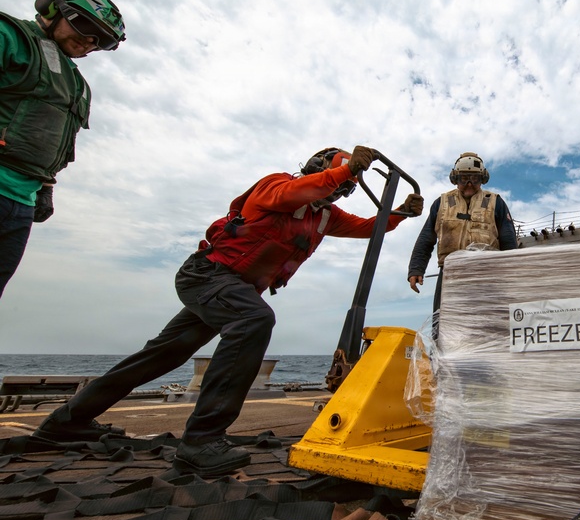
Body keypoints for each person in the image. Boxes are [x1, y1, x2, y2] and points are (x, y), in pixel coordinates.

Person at [34, 146, 423, 477]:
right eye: (338, 179)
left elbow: (366, 227)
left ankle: (66, 422)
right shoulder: (277, 186)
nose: (338, 190)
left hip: (233, 289)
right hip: (207, 275)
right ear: (319, 169)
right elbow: (293, 194)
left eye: (344, 188)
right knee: (254, 319)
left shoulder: (324, 216)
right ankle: (201, 441)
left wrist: (400, 213)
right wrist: (346, 169)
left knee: (161, 354)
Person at [0, 0, 127, 297]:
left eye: (102, 40)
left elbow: (49, 138)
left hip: (21, 203)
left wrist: (45, 187)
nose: (90, 41)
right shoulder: (10, 37)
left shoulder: (75, 83)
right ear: (51, 7)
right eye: (85, 26)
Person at [407, 152, 517, 317]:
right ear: (455, 178)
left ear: (483, 179)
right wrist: (416, 269)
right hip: (451, 274)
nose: (469, 184)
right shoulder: (442, 203)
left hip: (488, 274)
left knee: (489, 321)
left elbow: (508, 240)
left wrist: (513, 275)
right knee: (445, 321)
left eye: (475, 179)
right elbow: (426, 238)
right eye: (464, 178)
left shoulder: (495, 202)